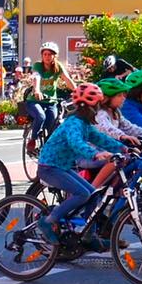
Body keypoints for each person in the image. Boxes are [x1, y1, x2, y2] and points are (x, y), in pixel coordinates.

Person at [35, 83, 125, 245]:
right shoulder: (74, 123)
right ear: (88, 107)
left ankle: (88, 235)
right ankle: (48, 221)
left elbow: (100, 138)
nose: (98, 110)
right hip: (49, 167)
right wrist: (95, 154)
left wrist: (123, 146)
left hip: (62, 166)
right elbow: (76, 143)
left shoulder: (84, 124)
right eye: (97, 105)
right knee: (82, 194)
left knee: (93, 193)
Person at [90, 78, 142, 187]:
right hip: (91, 153)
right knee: (115, 160)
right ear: (106, 98)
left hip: (105, 150)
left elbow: (130, 127)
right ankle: (91, 191)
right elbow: (107, 128)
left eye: (124, 95)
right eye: (119, 96)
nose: (123, 98)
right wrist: (122, 136)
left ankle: (116, 190)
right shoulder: (100, 114)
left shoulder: (116, 112)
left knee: (130, 159)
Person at [24, 42, 76, 154]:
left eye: (50, 54)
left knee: (53, 125)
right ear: (42, 56)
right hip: (34, 101)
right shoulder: (38, 65)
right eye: (45, 54)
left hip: (51, 101)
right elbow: (36, 77)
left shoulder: (58, 67)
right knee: (41, 116)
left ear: (54, 56)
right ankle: (32, 140)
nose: (47, 57)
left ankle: (47, 148)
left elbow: (67, 80)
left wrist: (78, 92)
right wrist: (37, 90)